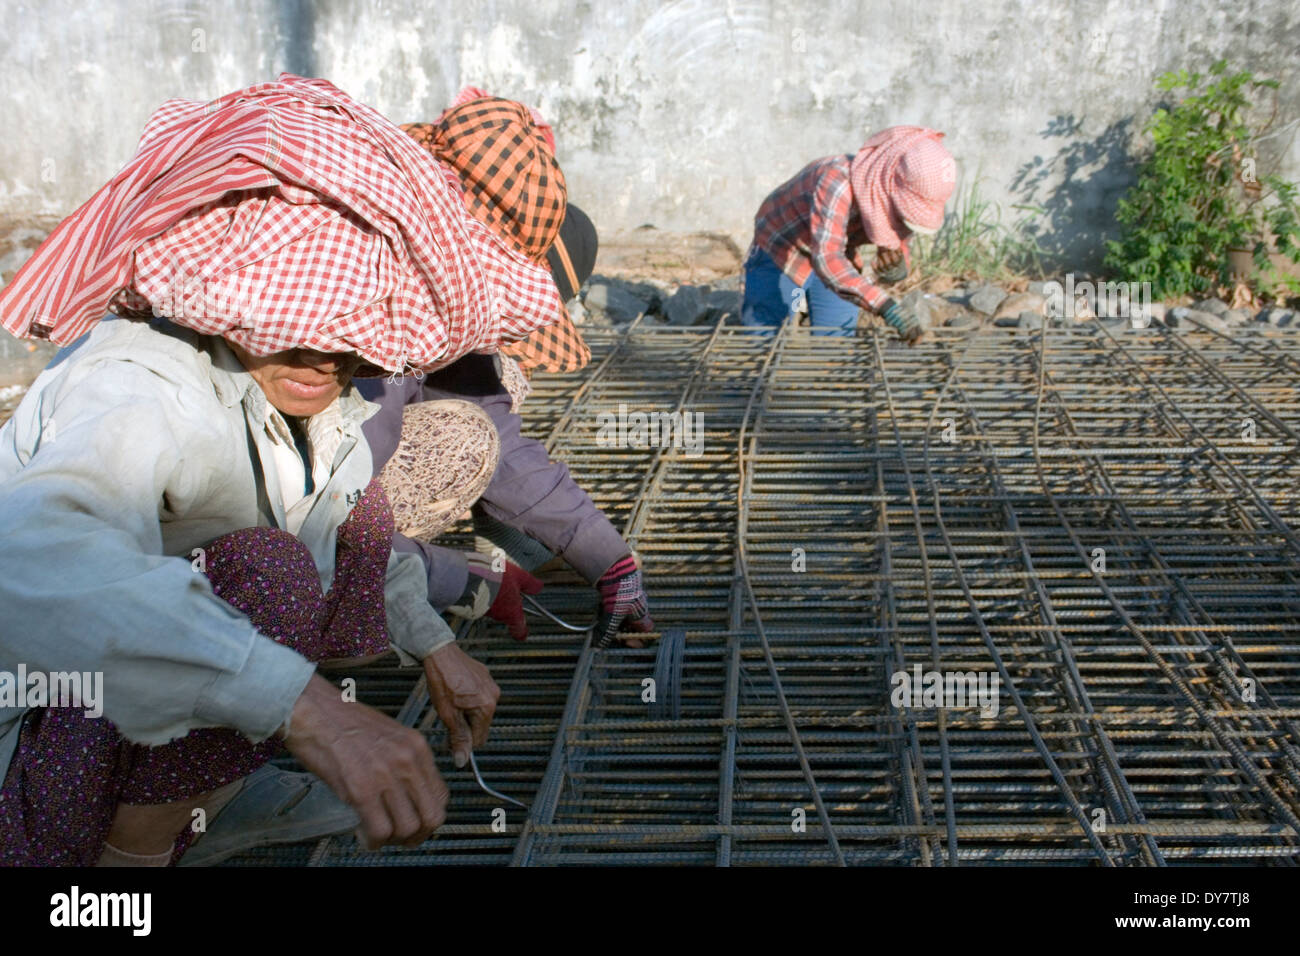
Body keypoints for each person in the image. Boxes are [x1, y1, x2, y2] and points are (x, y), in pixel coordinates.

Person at [0, 75, 562, 866]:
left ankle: (209, 793)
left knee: (356, 516)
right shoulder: (140, 384)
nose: (323, 357)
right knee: (269, 575)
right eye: (295, 330)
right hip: (39, 730)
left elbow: (337, 521)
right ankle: (131, 859)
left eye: (348, 338)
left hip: (132, 705)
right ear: (235, 298)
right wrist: (312, 712)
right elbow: (28, 558)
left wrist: (436, 645)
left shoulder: (317, 395)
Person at [367, 92, 653, 650]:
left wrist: (610, 560)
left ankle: (466, 539)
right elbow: (322, 517)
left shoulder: (433, 286)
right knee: (460, 440)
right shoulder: (369, 310)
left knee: (496, 385)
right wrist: (461, 579)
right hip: (266, 537)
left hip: (321, 508)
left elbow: (498, 436)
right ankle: (343, 618)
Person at [741, 126, 957, 341]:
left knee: (836, 341)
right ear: (892, 186)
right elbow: (827, 258)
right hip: (782, 247)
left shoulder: (902, 198)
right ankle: (793, 312)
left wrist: (896, 266)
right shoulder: (837, 182)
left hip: (836, 252)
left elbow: (898, 241)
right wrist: (885, 306)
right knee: (766, 334)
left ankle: (808, 319)